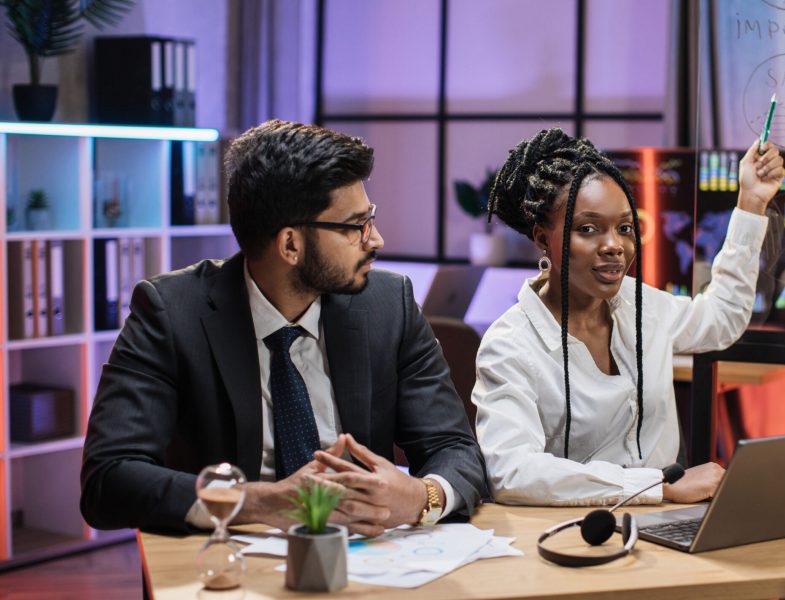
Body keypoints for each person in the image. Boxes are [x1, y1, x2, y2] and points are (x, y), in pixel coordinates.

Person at [80, 119, 487, 535]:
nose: (376, 239)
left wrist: (421, 497)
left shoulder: (388, 305)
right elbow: (108, 480)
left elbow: (454, 448)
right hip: (228, 562)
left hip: (369, 557)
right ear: (290, 244)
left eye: (372, 219)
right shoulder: (171, 313)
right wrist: (260, 501)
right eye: (355, 227)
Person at [473, 128, 782, 506]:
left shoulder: (641, 305)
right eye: (588, 229)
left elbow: (723, 318)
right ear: (542, 239)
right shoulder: (510, 344)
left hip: (663, 523)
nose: (614, 246)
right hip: (572, 532)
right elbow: (512, 473)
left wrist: (751, 203)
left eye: (624, 229)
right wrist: (656, 487)